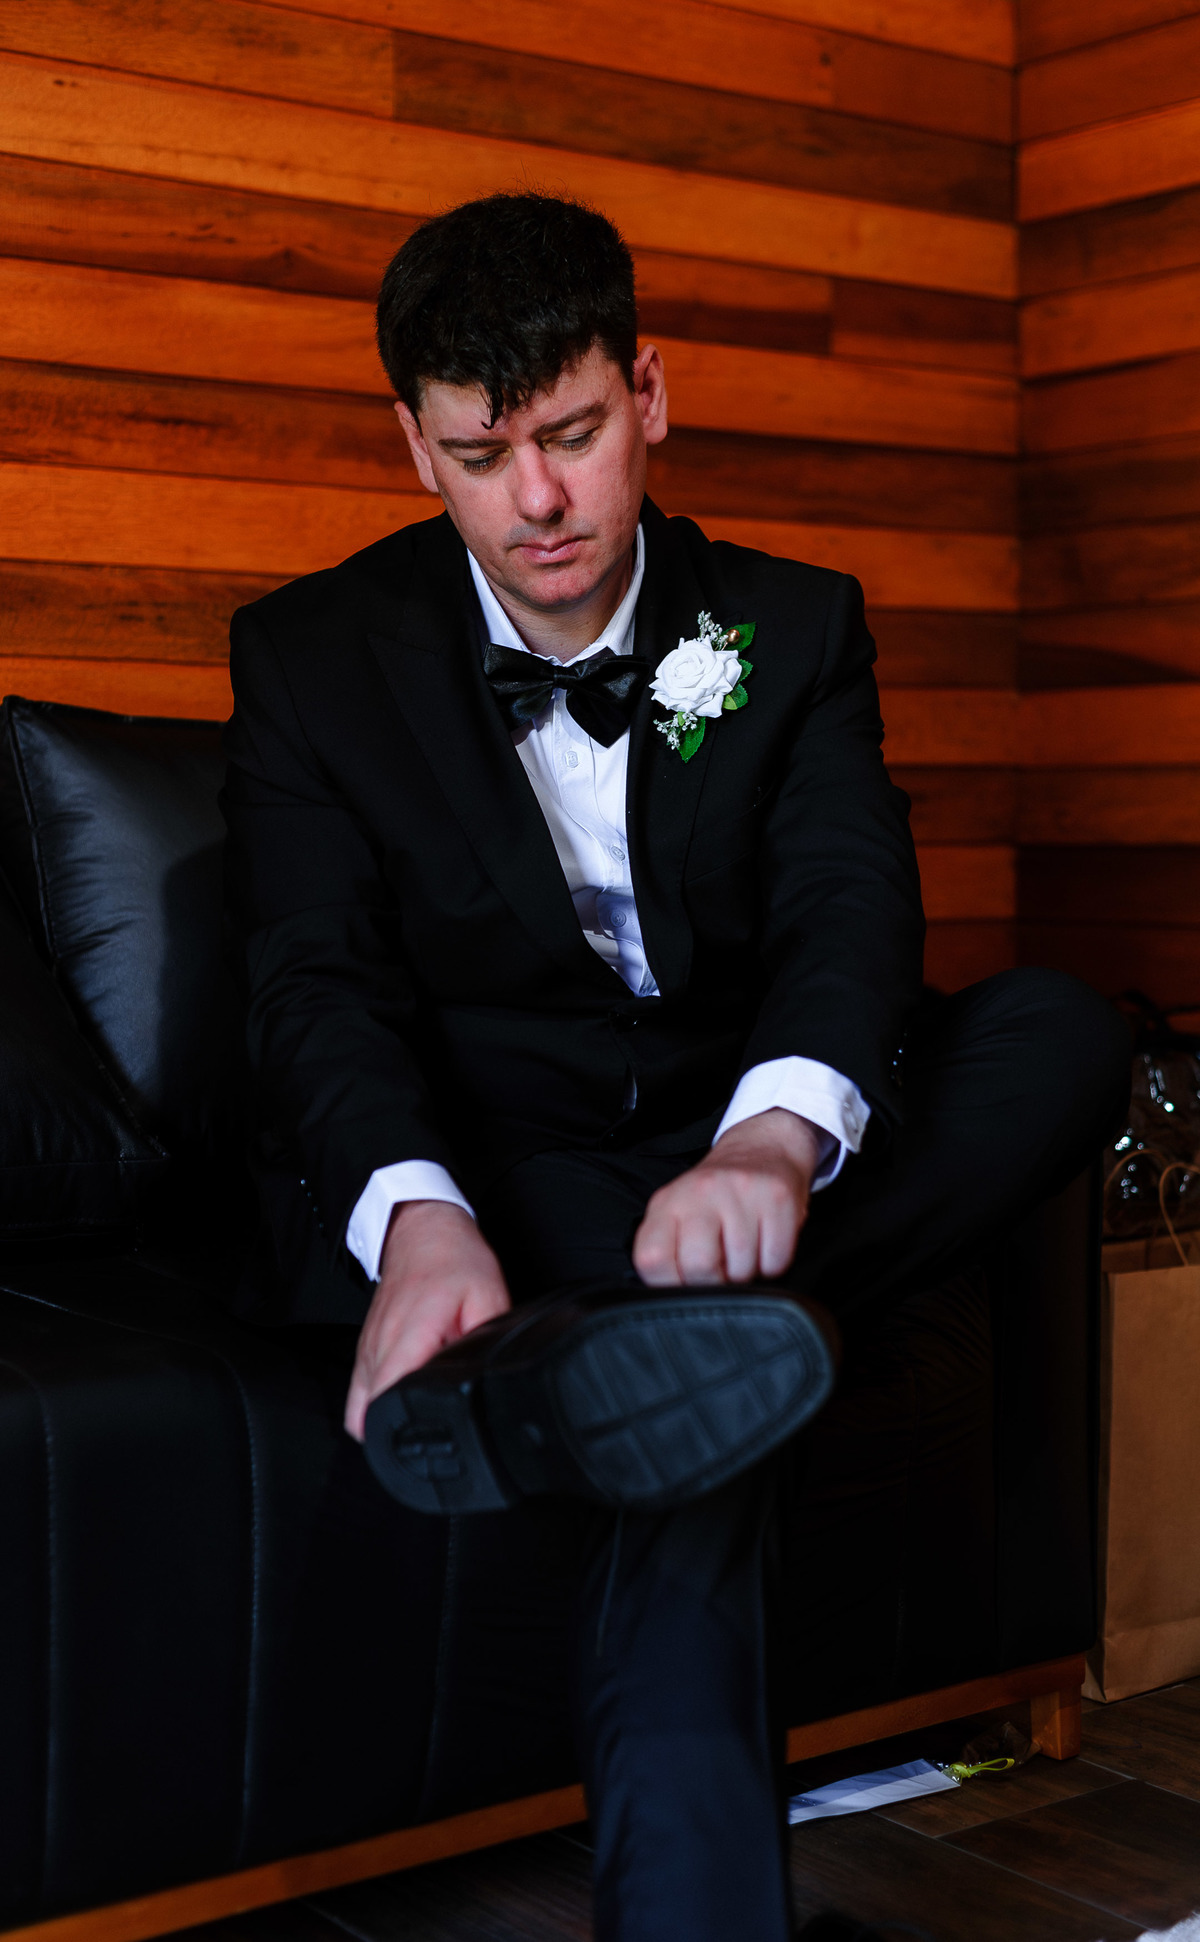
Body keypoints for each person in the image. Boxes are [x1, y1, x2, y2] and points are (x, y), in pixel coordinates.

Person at [222, 192, 1128, 1942]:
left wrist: (776, 1141)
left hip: (734, 1141)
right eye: (482, 457)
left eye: (571, 434)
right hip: (513, 1164)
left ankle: (588, 1352)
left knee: (1063, 1031)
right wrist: (418, 1220)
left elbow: (852, 907)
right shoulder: (312, 658)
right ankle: (658, 1336)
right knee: (699, 1401)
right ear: (414, 448)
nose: (539, 501)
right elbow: (310, 984)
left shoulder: (792, 624)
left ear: (647, 392)